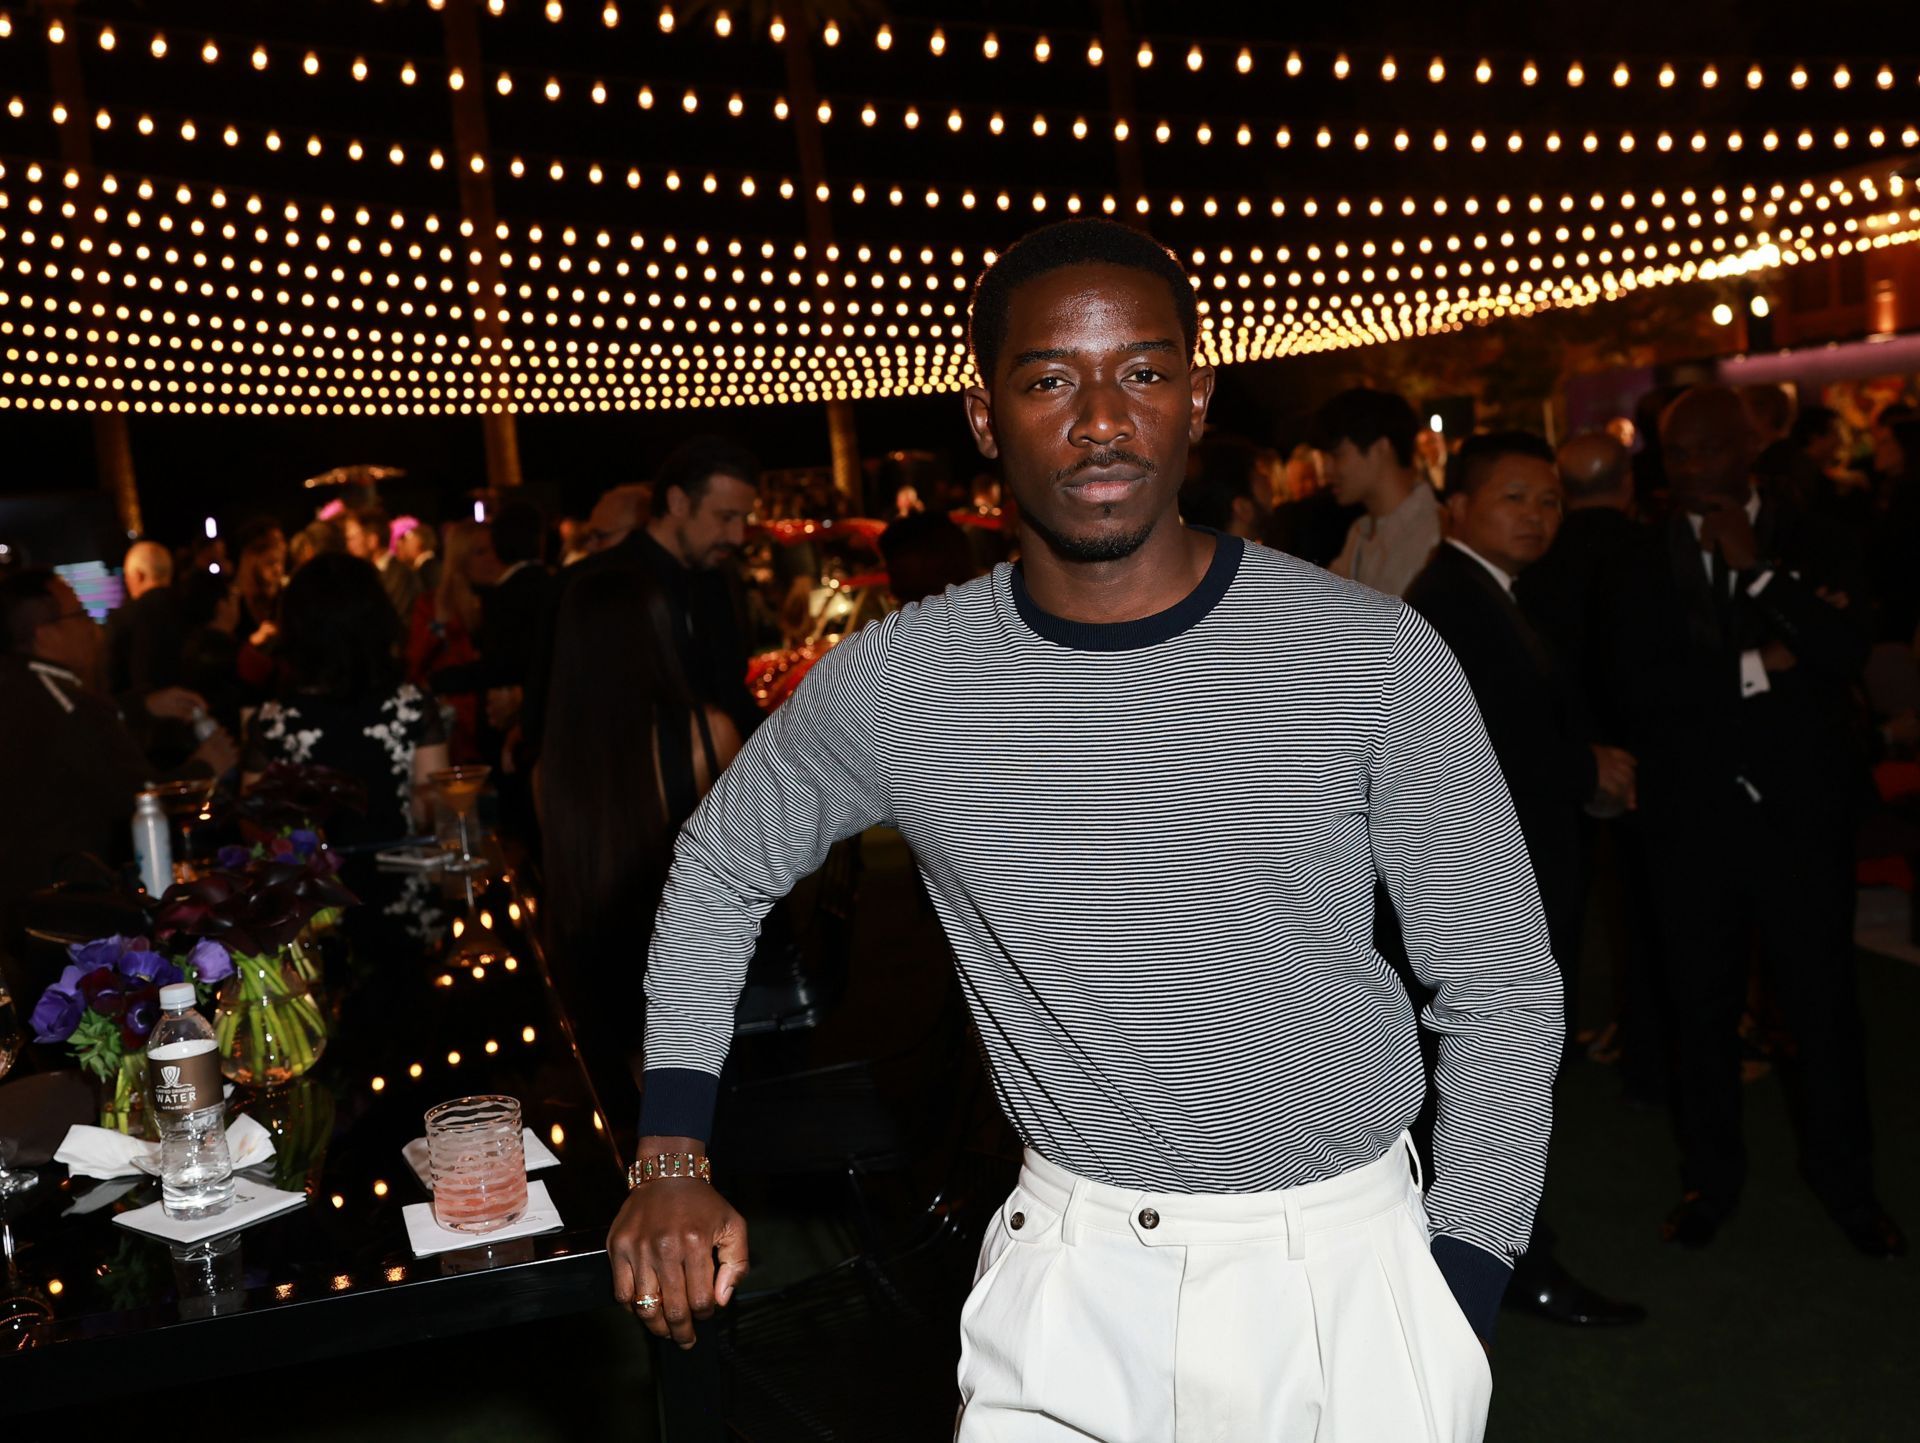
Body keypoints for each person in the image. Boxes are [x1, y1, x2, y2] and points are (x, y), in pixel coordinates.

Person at [608, 219, 1561, 1441]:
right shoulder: (903, 682)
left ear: (1197, 397)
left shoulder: (1368, 652)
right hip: (1069, 1271)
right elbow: (719, 862)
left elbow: (1500, 987)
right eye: (1051, 379)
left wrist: (1458, 1288)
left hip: (1345, 1264)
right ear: (985, 417)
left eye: (1144, 373)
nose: (1102, 419)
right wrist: (672, 1153)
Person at [1615, 386, 1902, 1258]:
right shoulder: (1639, 555)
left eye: (1708, 449)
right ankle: (1712, 1178)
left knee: (1822, 1008)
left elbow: (1850, 654)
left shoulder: (1818, 538)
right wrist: (1762, 664)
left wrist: (1764, 575)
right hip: (1687, 824)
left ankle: (1847, 1183)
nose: (1691, 468)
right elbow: (1637, 687)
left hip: (1800, 820)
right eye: (1676, 453)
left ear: (1750, 449)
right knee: (1698, 1013)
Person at [1405, 431, 1645, 1330]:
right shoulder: (1448, 603)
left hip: (1509, 873)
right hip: (1491, 889)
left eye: (1549, 499)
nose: (1538, 515)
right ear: (1455, 508)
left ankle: (1496, 1258)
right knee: (1497, 1075)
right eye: (1515, 498)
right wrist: (1586, 769)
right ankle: (1508, 1266)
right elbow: (1489, 745)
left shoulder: (1492, 593)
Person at [536, 564, 741, 1055]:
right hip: (695, 981)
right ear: (659, 632)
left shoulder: (549, 766)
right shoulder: (705, 735)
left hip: (590, 991)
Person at [0, 569, 237, 925]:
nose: (91, 626)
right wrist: (206, 767)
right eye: (79, 613)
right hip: (63, 910)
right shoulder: (67, 705)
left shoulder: (20, 686)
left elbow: (77, 745)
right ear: (44, 635)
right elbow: (141, 799)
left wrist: (140, 708)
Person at [524, 444, 762, 762]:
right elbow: (551, 705)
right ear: (677, 502)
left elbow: (730, 692)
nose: (737, 536)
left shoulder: (718, 578)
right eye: (726, 517)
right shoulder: (589, 583)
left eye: (742, 519)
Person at [241, 552, 448, 848]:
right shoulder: (411, 706)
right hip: (398, 881)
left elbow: (254, 825)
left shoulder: (274, 721)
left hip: (312, 888)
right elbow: (433, 808)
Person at [1314, 387, 1444, 597]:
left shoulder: (1436, 533)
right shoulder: (1360, 532)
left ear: (1381, 448)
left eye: (1337, 455)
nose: (1326, 471)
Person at [408, 520, 500, 763]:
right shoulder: (433, 604)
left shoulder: (503, 599)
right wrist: (438, 626)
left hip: (498, 721)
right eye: (480, 552)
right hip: (458, 725)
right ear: (460, 558)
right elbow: (414, 663)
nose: (492, 558)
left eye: (494, 549)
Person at [104, 539, 186, 700]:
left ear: (138, 575)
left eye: (127, 578)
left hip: (150, 713)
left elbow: (113, 677)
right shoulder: (196, 606)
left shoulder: (123, 618)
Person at [343, 504, 424, 622]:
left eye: (352, 538)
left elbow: (392, 622)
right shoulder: (364, 573)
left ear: (372, 540)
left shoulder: (400, 575)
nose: (349, 545)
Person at [391, 515, 442, 595]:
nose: (398, 544)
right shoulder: (429, 567)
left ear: (419, 540)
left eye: (404, 538)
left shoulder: (428, 570)